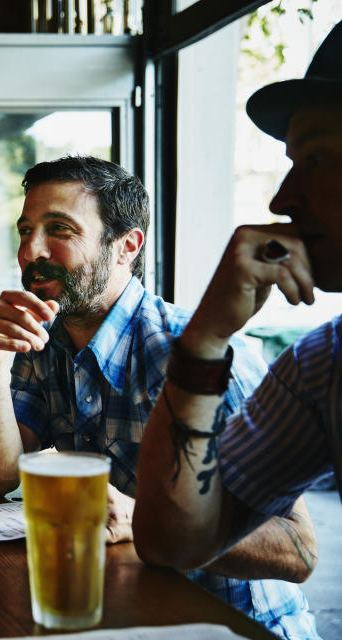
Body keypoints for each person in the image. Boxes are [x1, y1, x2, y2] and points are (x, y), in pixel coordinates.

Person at [0, 155, 319, 638]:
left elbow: (296, 548)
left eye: (60, 229)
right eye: (25, 230)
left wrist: (148, 520)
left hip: (236, 625)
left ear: (127, 246)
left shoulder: (199, 355)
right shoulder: (43, 337)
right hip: (125, 612)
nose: (31, 250)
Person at [134, 21, 342, 578]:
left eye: (317, 159)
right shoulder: (323, 367)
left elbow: (298, 554)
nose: (282, 196)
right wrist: (205, 337)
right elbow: (173, 544)